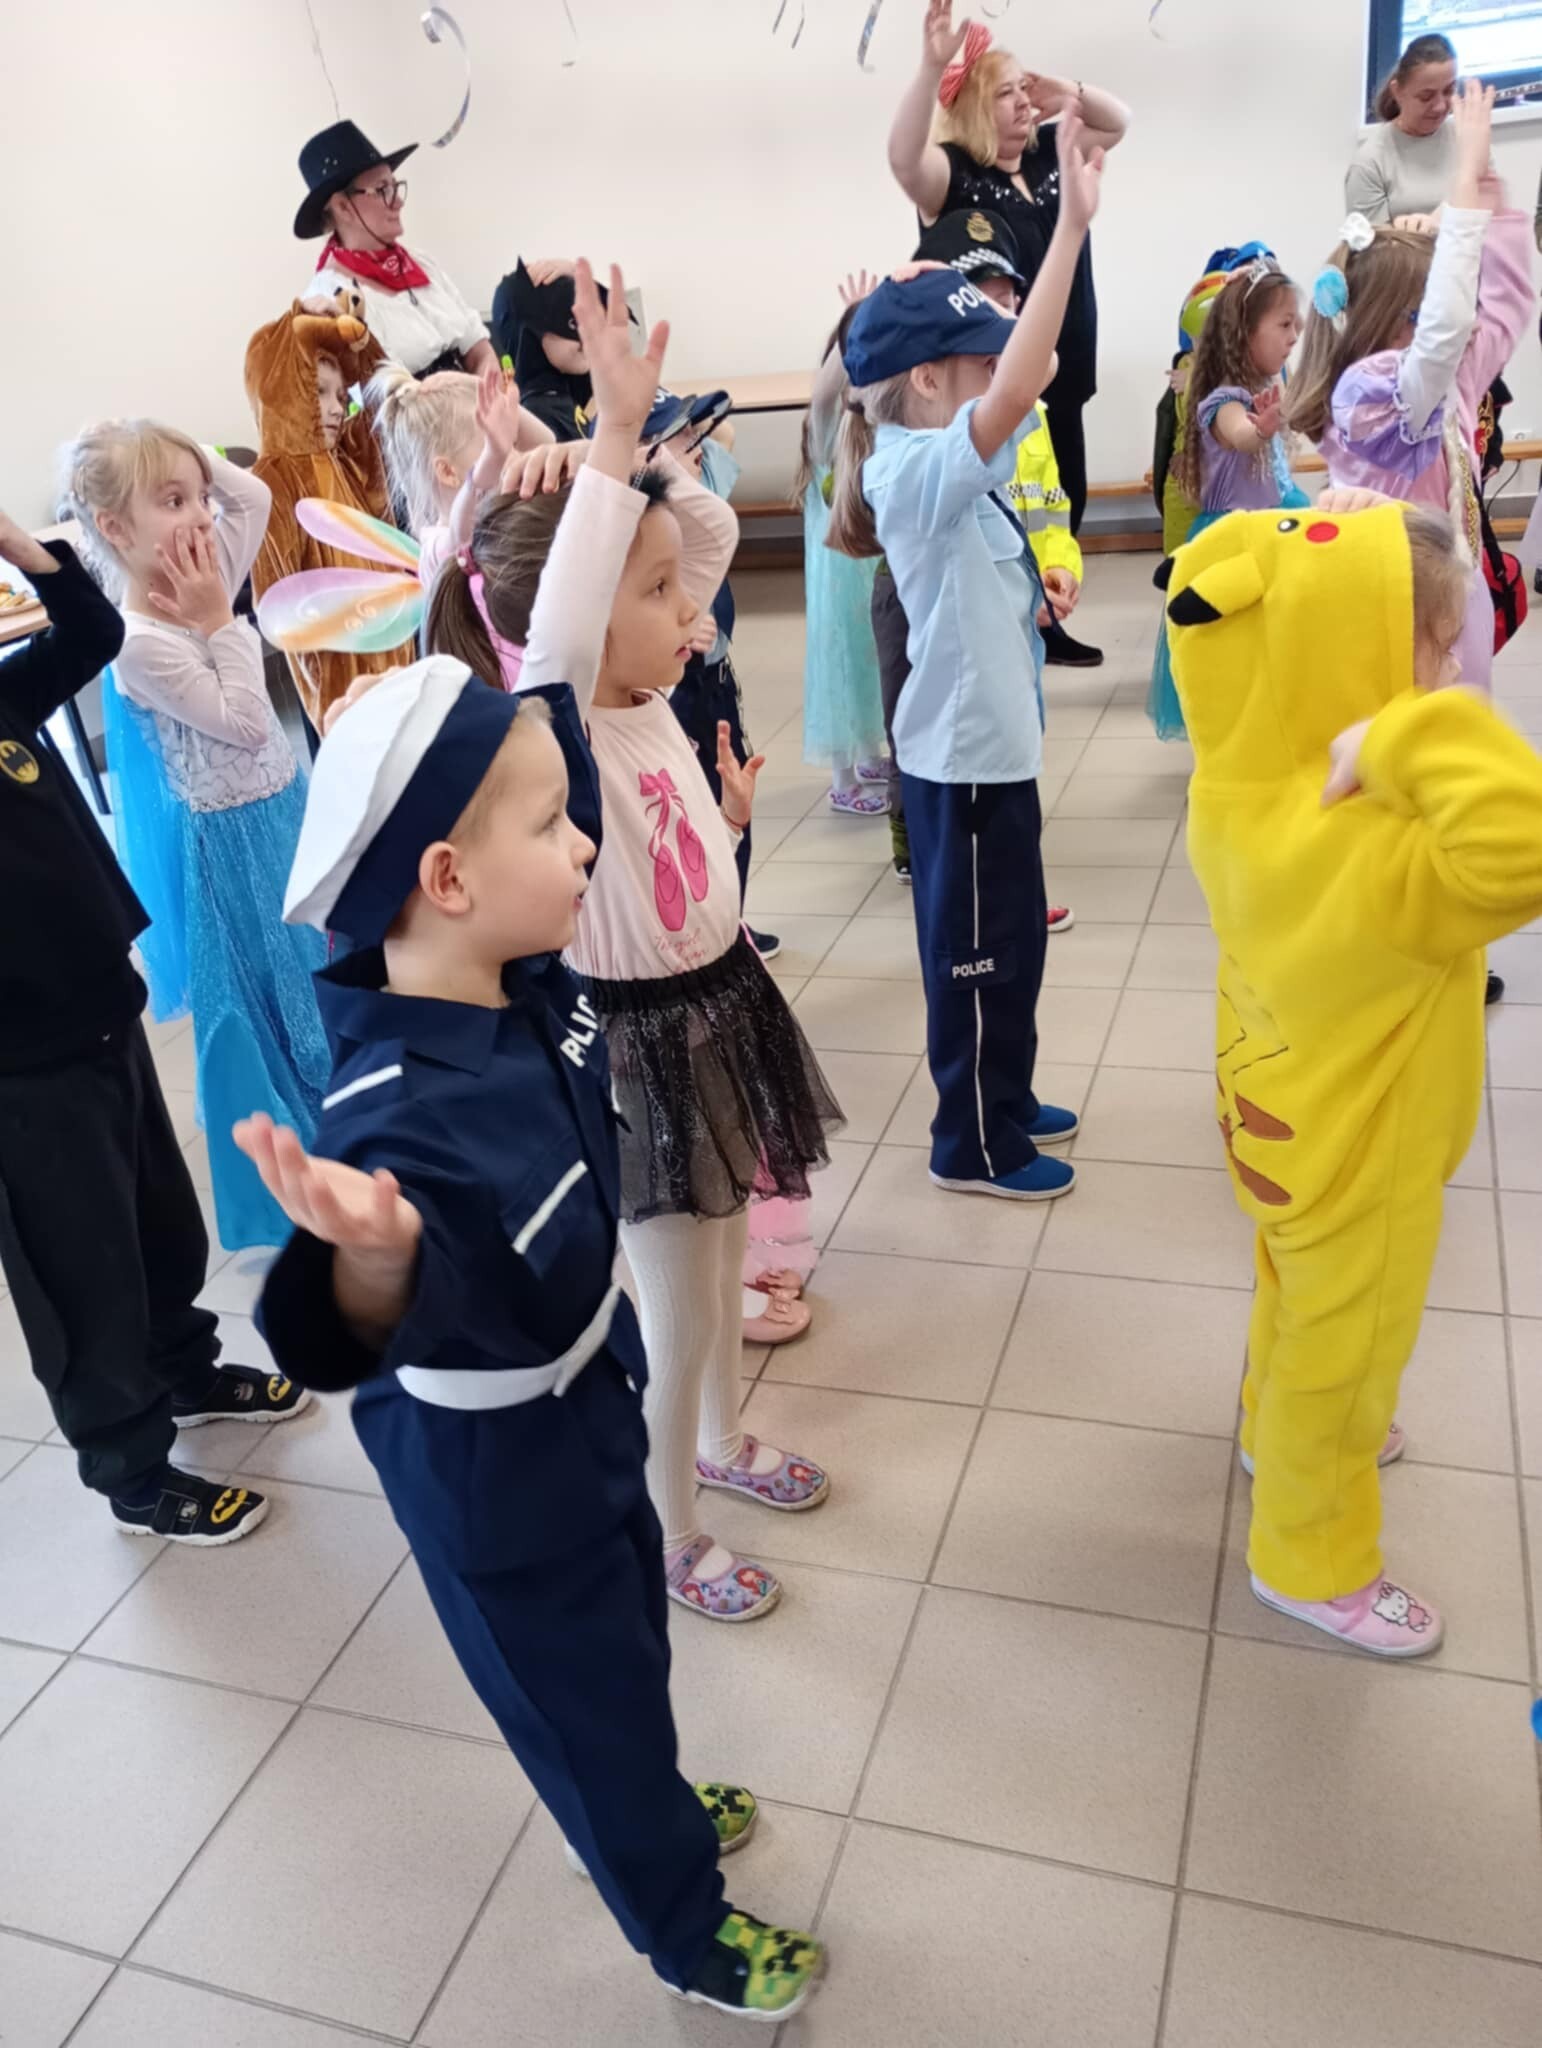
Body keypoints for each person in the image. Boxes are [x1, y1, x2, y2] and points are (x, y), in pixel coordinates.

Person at [239, 653, 824, 2019]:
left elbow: (547, 717)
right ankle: (682, 1925)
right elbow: (327, 1341)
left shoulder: (526, 984)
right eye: (553, 825)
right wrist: (371, 1261)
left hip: (585, 1399)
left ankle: (637, 1799)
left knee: (627, 1644)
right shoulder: (389, 1112)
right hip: (494, 1475)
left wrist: (439, 700)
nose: (583, 845)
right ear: (448, 879)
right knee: (576, 1696)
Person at [425, 263, 841, 1623]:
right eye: (655, 592)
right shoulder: (557, 721)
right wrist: (603, 440)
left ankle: (723, 1437)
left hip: (719, 1003)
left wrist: (639, 467)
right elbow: (568, 606)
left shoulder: (649, 691)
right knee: (675, 1305)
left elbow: (699, 530)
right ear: (584, 606)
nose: (693, 610)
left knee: (724, 1257)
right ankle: (672, 1533)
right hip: (641, 1047)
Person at [1162, 496, 1542, 1656]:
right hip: (1366, 1156)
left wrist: (1361, 578)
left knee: (1292, 1294)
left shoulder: (1242, 782)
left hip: (1282, 1125)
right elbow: (1523, 842)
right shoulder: (1376, 842)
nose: (1448, 673)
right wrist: (1403, 737)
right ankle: (1312, 1557)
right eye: (1433, 647)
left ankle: (1266, 1429)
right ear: (1353, 657)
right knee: (1351, 1353)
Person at [0, 506, 304, 1546]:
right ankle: (131, 1471)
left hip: (100, 1008)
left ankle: (185, 1369)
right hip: (22, 1065)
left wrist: (20, 544)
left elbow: (90, 631)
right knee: (79, 1268)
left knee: (156, 1222)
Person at [829, 116, 1104, 1204]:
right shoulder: (910, 471)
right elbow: (1028, 378)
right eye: (980, 361)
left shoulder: (946, 459)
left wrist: (1034, 595)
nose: (1003, 372)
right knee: (977, 958)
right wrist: (1068, 230)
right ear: (930, 383)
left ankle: (1008, 1096)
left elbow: (1032, 376)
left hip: (998, 754)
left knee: (1014, 948)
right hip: (963, 768)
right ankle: (973, 1142)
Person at [60, 423, 332, 1250]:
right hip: (230, 850)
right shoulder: (138, 643)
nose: (204, 517)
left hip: (285, 813)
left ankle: (359, 1119)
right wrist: (221, 622)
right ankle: (309, 1166)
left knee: (323, 964)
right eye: (173, 502)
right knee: (271, 999)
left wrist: (178, 450)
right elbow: (246, 722)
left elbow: (255, 494)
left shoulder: (205, 567)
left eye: (200, 499)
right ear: (116, 529)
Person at [885, 1, 1130, 663]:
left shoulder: (1051, 151)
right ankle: (1009, 616)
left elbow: (1119, 122)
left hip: (1064, 359)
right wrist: (931, 65)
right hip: (988, 378)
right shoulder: (954, 174)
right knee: (1000, 497)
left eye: (1025, 90)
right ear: (972, 107)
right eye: (1006, 93)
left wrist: (1065, 90)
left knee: (1060, 493)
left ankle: (1049, 610)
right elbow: (902, 159)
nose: (1024, 103)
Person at [1288, 85, 1532, 702]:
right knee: (1407, 736)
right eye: (1430, 311)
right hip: (1395, 606)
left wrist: (1493, 206)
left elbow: (1506, 310)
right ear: (1394, 322)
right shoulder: (1368, 396)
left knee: (1459, 723)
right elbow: (1446, 334)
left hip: (1452, 597)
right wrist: (1461, 195)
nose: (1459, 319)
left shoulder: (1440, 383)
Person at [1147, 259, 1306, 741]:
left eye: (1297, 324)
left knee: (1277, 642)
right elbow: (1240, 434)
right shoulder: (1223, 398)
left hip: (1275, 524)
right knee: (1237, 648)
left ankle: (1272, 726)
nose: (1295, 334)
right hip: (1232, 539)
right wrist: (1262, 427)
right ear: (1244, 333)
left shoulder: (1265, 386)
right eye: (1284, 325)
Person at [245, 294, 404, 732]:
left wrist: (361, 343)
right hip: (340, 668)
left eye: (340, 395)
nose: (337, 407)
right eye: (318, 392)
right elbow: (276, 600)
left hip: (393, 643)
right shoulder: (273, 479)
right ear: (284, 392)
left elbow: (385, 400)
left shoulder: (346, 456)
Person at [296, 120, 496, 377]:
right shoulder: (330, 300)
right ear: (343, 207)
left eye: (395, 186)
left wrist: (489, 384)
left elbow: (479, 349)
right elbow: (368, 393)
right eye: (383, 190)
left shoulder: (422, 265)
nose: (399, 202)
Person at [797, 302, 890, 816]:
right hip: (837, 577)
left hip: (866, 567)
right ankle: (841, 779)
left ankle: (869, 753)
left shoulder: (869, 424)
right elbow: (823, 391)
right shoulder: (825, 427)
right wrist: (852, 330)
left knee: (869, 660)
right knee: (840, 665)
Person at [366, 360, 554, 590]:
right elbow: (460, 535)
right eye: (492, 448)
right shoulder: (437, 546)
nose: (516, 457)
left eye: (512, 444)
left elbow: (547, 444)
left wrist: (476, 385)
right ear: (448, 472)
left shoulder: (496, 506)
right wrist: (493, 460)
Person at [490, 259, 609, 442]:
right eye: (573, 322)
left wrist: (577, 274)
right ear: (531, 334)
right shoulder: (537, 417)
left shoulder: (560, 397)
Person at [1346, 32, 1459, 224]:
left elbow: (1490, 216)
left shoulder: (1467, 140)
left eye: (1449, 91)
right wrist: (1432, 225)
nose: (1440, 106)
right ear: (1398, 92)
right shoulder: (1370, 163)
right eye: (1426, 97)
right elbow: (1371, 242)